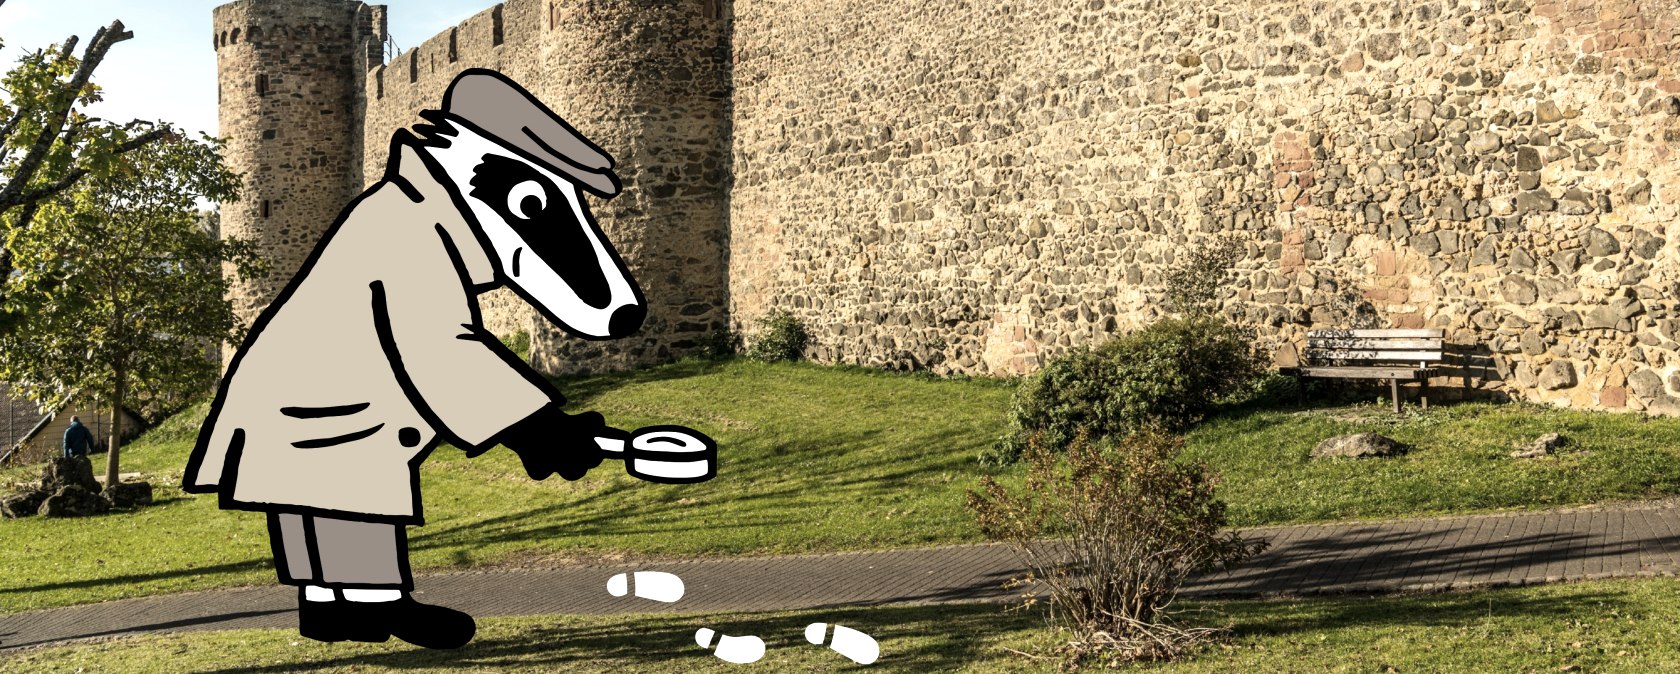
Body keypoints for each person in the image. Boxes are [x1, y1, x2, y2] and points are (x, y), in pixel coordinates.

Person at [182, 69, 713, 650]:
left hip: (290, 395)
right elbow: (443, 354)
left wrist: (547, 430)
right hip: (323, 403)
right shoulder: (406, 227)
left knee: (312, 495)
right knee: (345, 487)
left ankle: (332, 608)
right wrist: (543, 431)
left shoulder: (407, 211)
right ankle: (375, 605)